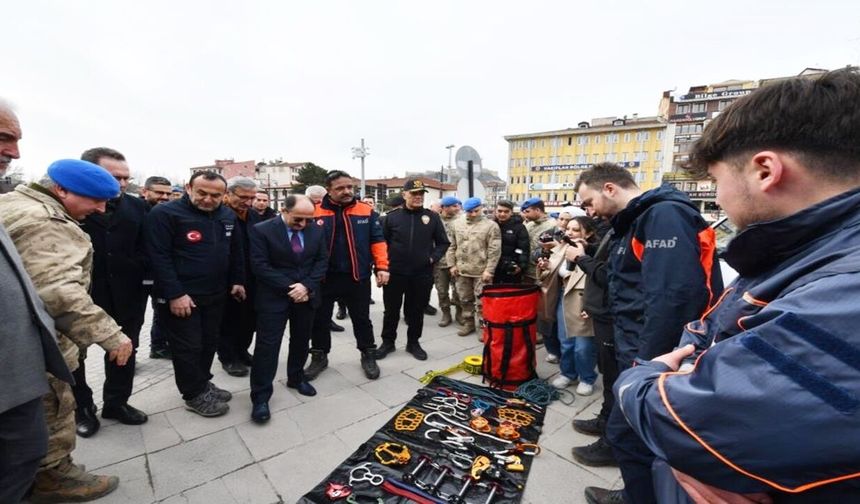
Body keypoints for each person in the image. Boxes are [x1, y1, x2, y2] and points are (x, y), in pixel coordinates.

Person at [614, 68, 860, 503]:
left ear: (764, 170)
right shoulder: (799, 249)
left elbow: (692, 419)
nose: (718, 199)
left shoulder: (845, 285)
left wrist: (641, 377)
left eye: (716, 181)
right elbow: (708, 331)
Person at [574, 162, 723, 504]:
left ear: (609, 188)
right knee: (632, 437)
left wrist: (647, 362)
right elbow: (630, 286)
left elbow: (671, 296)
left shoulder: (663, 216)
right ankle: (637, 493)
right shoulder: (634, 221)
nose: (588, 210)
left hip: (654, 354)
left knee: (626, 435)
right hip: (635, 346)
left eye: (589, 201)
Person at [0, 158, 134, 502]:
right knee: (54, 407)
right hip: (35, 343)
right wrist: (110, 335)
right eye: (94, 200)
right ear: (61, 190)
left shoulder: (13, 201)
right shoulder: (47, 222)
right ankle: (53, 477)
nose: (102, 210)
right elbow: (58, 291)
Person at [0, 102, 75, 504]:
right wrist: (110, 335)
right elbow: (61, 290)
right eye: (3, 138)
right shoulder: (38, 216)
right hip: (15, 369)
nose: (14, 153)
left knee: (25, 453)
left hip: (17, 362)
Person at [145, 171, 245, 418]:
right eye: (202, 193)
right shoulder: (165, 214)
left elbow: (235, 251)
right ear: (189, 188)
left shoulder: (226, 214)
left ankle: (202, 382)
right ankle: (192, 394)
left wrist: (237, 280)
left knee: (209, 342)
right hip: (183, 298)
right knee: (188, 347)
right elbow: (158, 257)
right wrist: (175, 294)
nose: (208, 200)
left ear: (224, 195)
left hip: (215, 294)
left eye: (215, 195)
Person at [72, 147, 150, 439]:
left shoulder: (137, 207)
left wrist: (139, 272)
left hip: (127, 295)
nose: (121, 183)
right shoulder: (69, 207)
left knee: (125, 351)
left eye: (125, 177)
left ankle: (117, 403)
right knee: (74, 357)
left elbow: (148, 247)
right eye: (113, 176)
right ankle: (82, 407)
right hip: (82, 298)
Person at [249, 195, 328, 423]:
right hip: (274, 297)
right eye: (298, 219)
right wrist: (291, 287)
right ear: (283, 210)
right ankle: (261, 397)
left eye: (308, 220)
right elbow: (259, 265)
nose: (303, 225)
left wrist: (306, 286)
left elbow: (322, 261)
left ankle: (296, 377)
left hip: (306, 296)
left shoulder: (316, 230)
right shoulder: (262, 230)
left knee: (301, 340)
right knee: (267, 346)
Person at [305, 170, 389, 381]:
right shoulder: (314, 212)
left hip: (356, 276)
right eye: (340, 188)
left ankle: (368, 354)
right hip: (324, 278)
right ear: (329, 190)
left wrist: (382, 267)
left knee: (362, 318)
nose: (347, 191)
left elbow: (377, 241)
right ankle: (319, 356)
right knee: (320, 319)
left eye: (349, 187)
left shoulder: (366, 211)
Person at [376, 179, 449, 361]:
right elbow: (380, 244)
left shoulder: (432, 217)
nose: (418, 197)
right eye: (414, 193)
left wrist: (432, 258)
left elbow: (443, 243)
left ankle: (413, 343)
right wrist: (380, 269)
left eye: (421, 194)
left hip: (421, 274)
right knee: (391, 311)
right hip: (395, 273)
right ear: (404, 195)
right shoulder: (391, 217)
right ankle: (388, 342)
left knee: (416, 311)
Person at [568, 214, 620, 469]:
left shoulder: (629, 227)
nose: (590, 211)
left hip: (614, 317)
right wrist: (587, 250)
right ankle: (606, 421)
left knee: (615, 380)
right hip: (603, 313)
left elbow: (610, 275)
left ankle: (613, 442)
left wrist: (580, 258)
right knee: (609, 377)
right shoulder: (613, 228)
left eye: (590, 203)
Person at [217, 176, 261, 378]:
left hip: (252, 276)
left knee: (249, 319)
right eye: (243, 197)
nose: (248, 202)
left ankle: (242, 351)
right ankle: (228, 357)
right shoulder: (218, 215)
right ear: (228, 194)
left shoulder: (252, 216)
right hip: (227, 279)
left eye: (252, 197)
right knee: (229, 321)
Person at [549, 217, 598, 395]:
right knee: (566, 341)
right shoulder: (563, 247)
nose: (569, 232)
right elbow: (557, 272)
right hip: (565, 296)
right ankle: (567, 373)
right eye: (568, 228)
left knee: (583, 346)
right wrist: (545, 265)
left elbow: (600, 278)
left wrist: (592, 306)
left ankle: (586, 377)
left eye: (575, 229)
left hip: (585, 300)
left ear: (589, 232)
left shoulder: (594, 251)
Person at [446, 197, 501, 337]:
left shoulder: (491, 226)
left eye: (476, 211)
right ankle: (468, 324)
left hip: (481, 271)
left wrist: (490, 270)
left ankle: (483, 329)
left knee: (482, 303)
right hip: (462, 270)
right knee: (464, 299)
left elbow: (494, 250)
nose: (473, 214)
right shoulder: (456, 224)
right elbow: (451, 246)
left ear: (481, 207)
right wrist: (451, 264)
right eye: (470, 212)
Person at [141, 176, 174, 359]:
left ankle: (159, 346)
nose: (164, 197)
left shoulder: (168, 213)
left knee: (161, 310)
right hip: (137, 273)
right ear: (145, 191)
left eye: (167, 193)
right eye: (159, 192)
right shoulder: (136, 211)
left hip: (159, 273)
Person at [307, 184, 346, 333]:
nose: (317, 204)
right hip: (310, 265)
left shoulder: (330, 212)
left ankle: (327, 322)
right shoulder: (304, 214)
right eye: (314, 201)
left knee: (326, 300)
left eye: (320, 201)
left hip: (329, 263)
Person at [434, 196, 462, 326]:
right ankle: (446, 314)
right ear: (444, 208)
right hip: (439, 263)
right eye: (454, 206)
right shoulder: (435, 221)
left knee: (458, 290)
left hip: (457, 262)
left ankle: (459, 313)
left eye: (457, 206)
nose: (458, 208)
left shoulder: (461, 220)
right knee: (442, 290)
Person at [493, 199, 529, 284]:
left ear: (511, 212)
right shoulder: (491, 225)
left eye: (506, 211)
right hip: (493, 267)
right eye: (500, 211)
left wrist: (520, 266)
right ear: (495, 211)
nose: (502, 214)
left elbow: (523, 248)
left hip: (511, 268)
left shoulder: (519, 227)